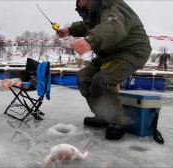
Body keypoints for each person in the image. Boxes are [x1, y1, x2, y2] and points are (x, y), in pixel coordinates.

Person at [57, 0, 152, 140]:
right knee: (84, 77)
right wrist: (69, 30)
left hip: (131, 51)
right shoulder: (94, 11)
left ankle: (117, 121)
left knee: (102, 80)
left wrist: (90, 40)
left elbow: (114, 26)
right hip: (110, 54)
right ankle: (103, 115)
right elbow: (87, 25)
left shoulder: (111, 4)